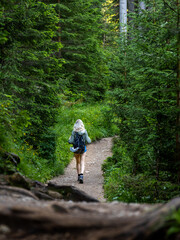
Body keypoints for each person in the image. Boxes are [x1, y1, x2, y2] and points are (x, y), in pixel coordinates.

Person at [68, 119, 91, 184]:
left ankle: (78, 176)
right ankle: (81, 175)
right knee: (82, 161)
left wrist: (69, 138)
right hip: (83, 148)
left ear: (75, 125)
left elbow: (70, 141)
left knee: (77, 162)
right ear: (82, 124)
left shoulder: (73, 132)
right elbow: (89, 141)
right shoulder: (84, 131)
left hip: (76, 149)